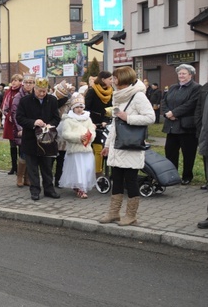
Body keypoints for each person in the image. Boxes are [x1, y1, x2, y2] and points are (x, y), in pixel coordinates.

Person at [99, 66, 155, 225]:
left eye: (115, 78)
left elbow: (150, 117)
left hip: (131, 145)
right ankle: (113, 213)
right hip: (117, 145)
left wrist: (128, 117)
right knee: (116, 179)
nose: (113, 81)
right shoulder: (117, 96)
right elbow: (115, 123)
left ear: (123, 79)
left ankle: (131, 216)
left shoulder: (138, 96)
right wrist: (108, 144)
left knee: (130, 180)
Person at [15, 77, 61, 201]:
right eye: (39, 91)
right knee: (32, 168)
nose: (42, 94)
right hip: (30, 139)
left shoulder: (51, 100)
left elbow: (56, 118)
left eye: (44, 91)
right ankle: (35, 190)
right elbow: (19, 118)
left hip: (46, 140)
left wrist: (49, 125)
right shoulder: (25, 101)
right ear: (34, 89)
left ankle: (49, 189)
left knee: (47, 167)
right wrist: (34, 122)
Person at [162, 64, 201, 185]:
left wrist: (174, 113)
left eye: (184, 73)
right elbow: (164, 101)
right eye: (179, 73)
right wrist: (167, 113)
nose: (181, 76)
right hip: (171, 126)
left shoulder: (196, 88)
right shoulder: (173, 87)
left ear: (190, 74)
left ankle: (187, 176)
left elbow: (190, 104)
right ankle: (172, 176)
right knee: (170, 152)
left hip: (186, 127)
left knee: (188, 153)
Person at [58, 95, 96, 198]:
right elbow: (66, 134)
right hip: (75, 149)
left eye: (81, 107)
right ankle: (80, 188)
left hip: (86, 148)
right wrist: (79, 137)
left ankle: (83, 185)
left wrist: (89, 137)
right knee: (78, 168)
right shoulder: (68, 120)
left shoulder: (87, 118)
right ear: (73, 108)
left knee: (87, 167)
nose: (79, 109)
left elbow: (92, 130)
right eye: (77, 107)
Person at [85, 71, 113, 178]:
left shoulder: (111, 91)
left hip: (105, 123)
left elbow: (111, 107)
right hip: (93, 123)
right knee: (97, 148)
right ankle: (97, 173)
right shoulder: (92, 91)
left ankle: (99, 171)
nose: (111, 81)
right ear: (103, 79)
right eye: (110, 79)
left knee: (103, 148)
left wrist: (106, 119)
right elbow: (86, 108)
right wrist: (91, 122)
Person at [10, 75, 36, 186]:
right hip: (22, 128)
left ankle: (27, 177)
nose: (29, 84)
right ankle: (20, 176)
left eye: (31, 82)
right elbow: (15, 114)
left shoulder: (36, 95)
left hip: (33, 128)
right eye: (26, 82)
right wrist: (20, 129)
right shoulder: (18, 97)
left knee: (30, 153)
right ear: (23, 83)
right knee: (23, 153)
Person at [1, 74, 24, 175]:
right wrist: (7, 115)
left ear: (20, 82)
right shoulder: (8, 92)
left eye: (16, 80)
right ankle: (13, 166)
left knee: (21, 145)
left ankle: (21, 168)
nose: (14, 82)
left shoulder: (22, 92)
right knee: (12, 145)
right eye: (13, 80)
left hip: (20, 121)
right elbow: (4, 107)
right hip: (10, 121)